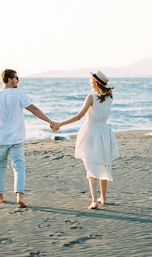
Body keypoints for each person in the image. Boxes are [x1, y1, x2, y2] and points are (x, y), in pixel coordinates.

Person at [0, 68, 56, 208]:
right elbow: (33, 109)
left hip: (0, 138)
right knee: (18, 167)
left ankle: (0, 196)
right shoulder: (17, 95)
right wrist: (49, 121)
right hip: (16, 138)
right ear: (10, 79)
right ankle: (19, 196)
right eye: (16, 78)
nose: (18, 80)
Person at [51, 70, 119, 209]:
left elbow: (78, 117)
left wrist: (60, 124)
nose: (89, 82)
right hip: (105, 131)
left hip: (91, 132)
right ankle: (103, 198)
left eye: (91, 80)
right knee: (104, 163)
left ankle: (94, 200)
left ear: (95, 82)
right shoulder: (110, 97)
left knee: (91, 164)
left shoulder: (91, 97)